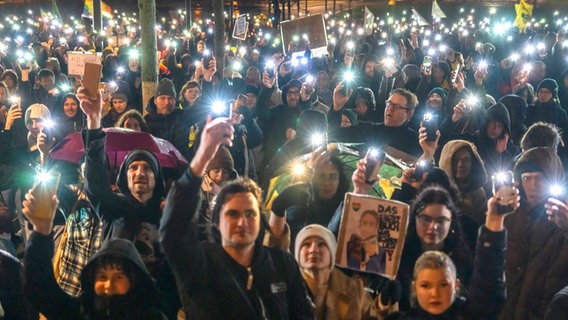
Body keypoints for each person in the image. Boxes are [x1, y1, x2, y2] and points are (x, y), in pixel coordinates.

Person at [159, 116, 313, 319]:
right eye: (232, 213)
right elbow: (172, 230)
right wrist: (202, 157)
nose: (242, 221)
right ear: (217, 221)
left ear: (260, 220)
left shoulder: (281, 265)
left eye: (250, 213)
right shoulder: (200, 263)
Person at [78, 86, 180, 318]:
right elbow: (95, 182)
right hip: (114, 308)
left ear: (157, 178)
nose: (139, 173)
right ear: (125, 177)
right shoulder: (114, 209)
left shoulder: (167, 215)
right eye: (133, 168)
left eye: (147, 169)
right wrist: (94, 120)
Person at [22, 191, 166, 319]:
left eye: (119, 277)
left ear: (134, 280)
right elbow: (40, 289)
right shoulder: (83, 311)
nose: (108, 286)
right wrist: (41, 231)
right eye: (102, 277)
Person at [387, 187, 515, 319]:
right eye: (426, 219)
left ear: (456, 285)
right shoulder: (394, 260)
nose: (434, 294)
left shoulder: (464, 259)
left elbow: (487, 288)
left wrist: (494, 221)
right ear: (414, 287)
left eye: (443, 284)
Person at [500, 147, 568, 320]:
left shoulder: (563, 217)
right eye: (526, 178)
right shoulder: (510, 215)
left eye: (540, 178)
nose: (533, 186)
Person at [396, 185, 473, 311]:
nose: (433, 227)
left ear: (451, 222)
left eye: (441, 220)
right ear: (415, 218)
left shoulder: (462, 261)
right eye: (426, 219)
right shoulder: (398, 259)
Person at [295, 224, 395, 320]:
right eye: (306, 244)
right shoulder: (288, 288)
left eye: (321, 244)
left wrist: (383, 303)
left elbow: (372, 317)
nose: (313, 250)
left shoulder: (355, 289)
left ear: (332, 253)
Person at [438, 139, 488, 225]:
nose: (460, 164)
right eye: (455, 160)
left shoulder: (478, 194)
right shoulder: (436, 188)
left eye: (466, 160)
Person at [346, 210, 387, 274]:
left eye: (371, 224)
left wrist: (372, 257)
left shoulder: (381, 251)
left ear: (376, 227)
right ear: (359, 225)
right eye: (364, 223)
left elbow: (381, 273)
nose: (367, 228)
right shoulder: (350, 246)